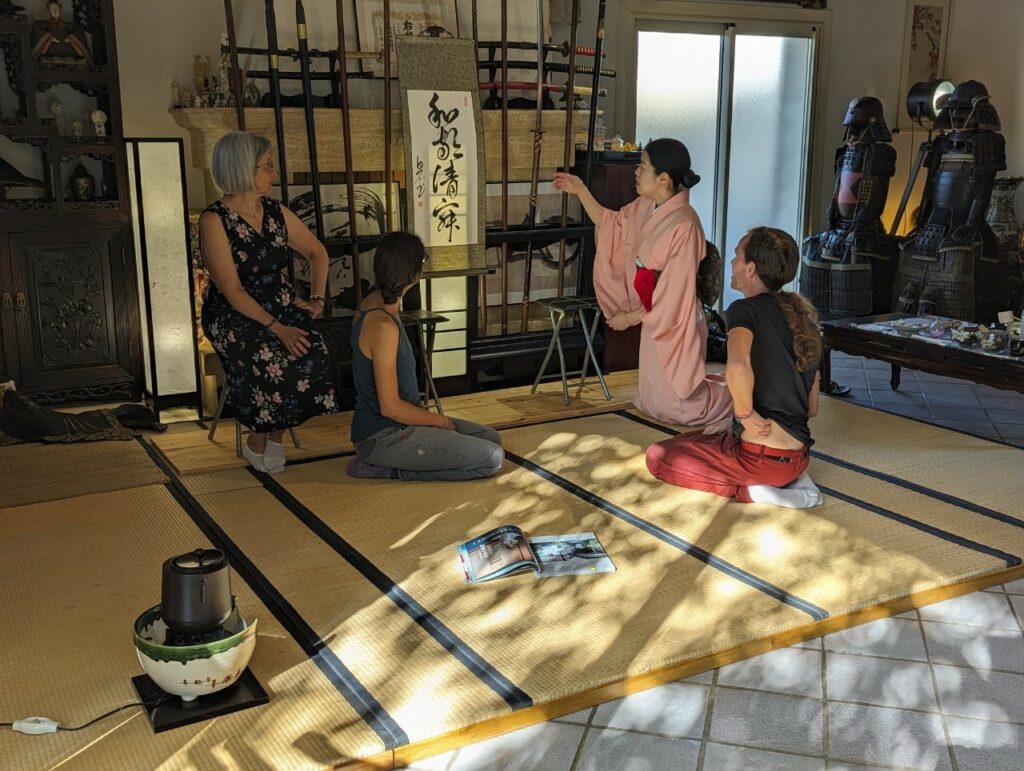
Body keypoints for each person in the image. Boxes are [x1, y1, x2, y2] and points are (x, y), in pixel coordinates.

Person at [553, 138, 731, 426]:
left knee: (682, 407)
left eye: (643, 166)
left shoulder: (685, 224)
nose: (636, 172)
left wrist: (632, 317)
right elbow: (612, 225)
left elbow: (675, 292)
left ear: (663, 178)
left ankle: (732, 394)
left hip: (676, 317)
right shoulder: (647, 205)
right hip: (654, 310)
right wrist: (580, 190)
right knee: (654, 401)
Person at [645, 227, 824, 508]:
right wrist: (736, 422)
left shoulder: (744, 309)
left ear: (750, 269)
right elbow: (812, 408)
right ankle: (790, 481)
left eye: (737, 257)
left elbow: (738, 365)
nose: (731, 263)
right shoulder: (801, 317)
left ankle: (756, 492)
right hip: (797, 458)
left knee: (658, 457)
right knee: (698, 436)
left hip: (759, 459)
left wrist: (745, 414)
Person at [200, 131, 337, 473]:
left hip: (280, 302)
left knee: (313, 349)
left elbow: (317, 252)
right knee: (268, 356)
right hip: (233, 312)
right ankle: (257, 438)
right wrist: (278, 329)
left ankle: (274, 436)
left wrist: (316, 299)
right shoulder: (214, 219)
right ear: (243, 169)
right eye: (267, 166)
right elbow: (231, 289)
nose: (274, 173)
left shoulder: (276, 211)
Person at [347, 231, 504, 481]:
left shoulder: (375, 303)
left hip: (404, 425)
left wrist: (434, 422)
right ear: (413, 274)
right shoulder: (382, 326)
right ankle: (388, 469)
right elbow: (390, 407)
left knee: (490, 438)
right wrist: (440, 422)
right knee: (492, 459)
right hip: (384, 436)